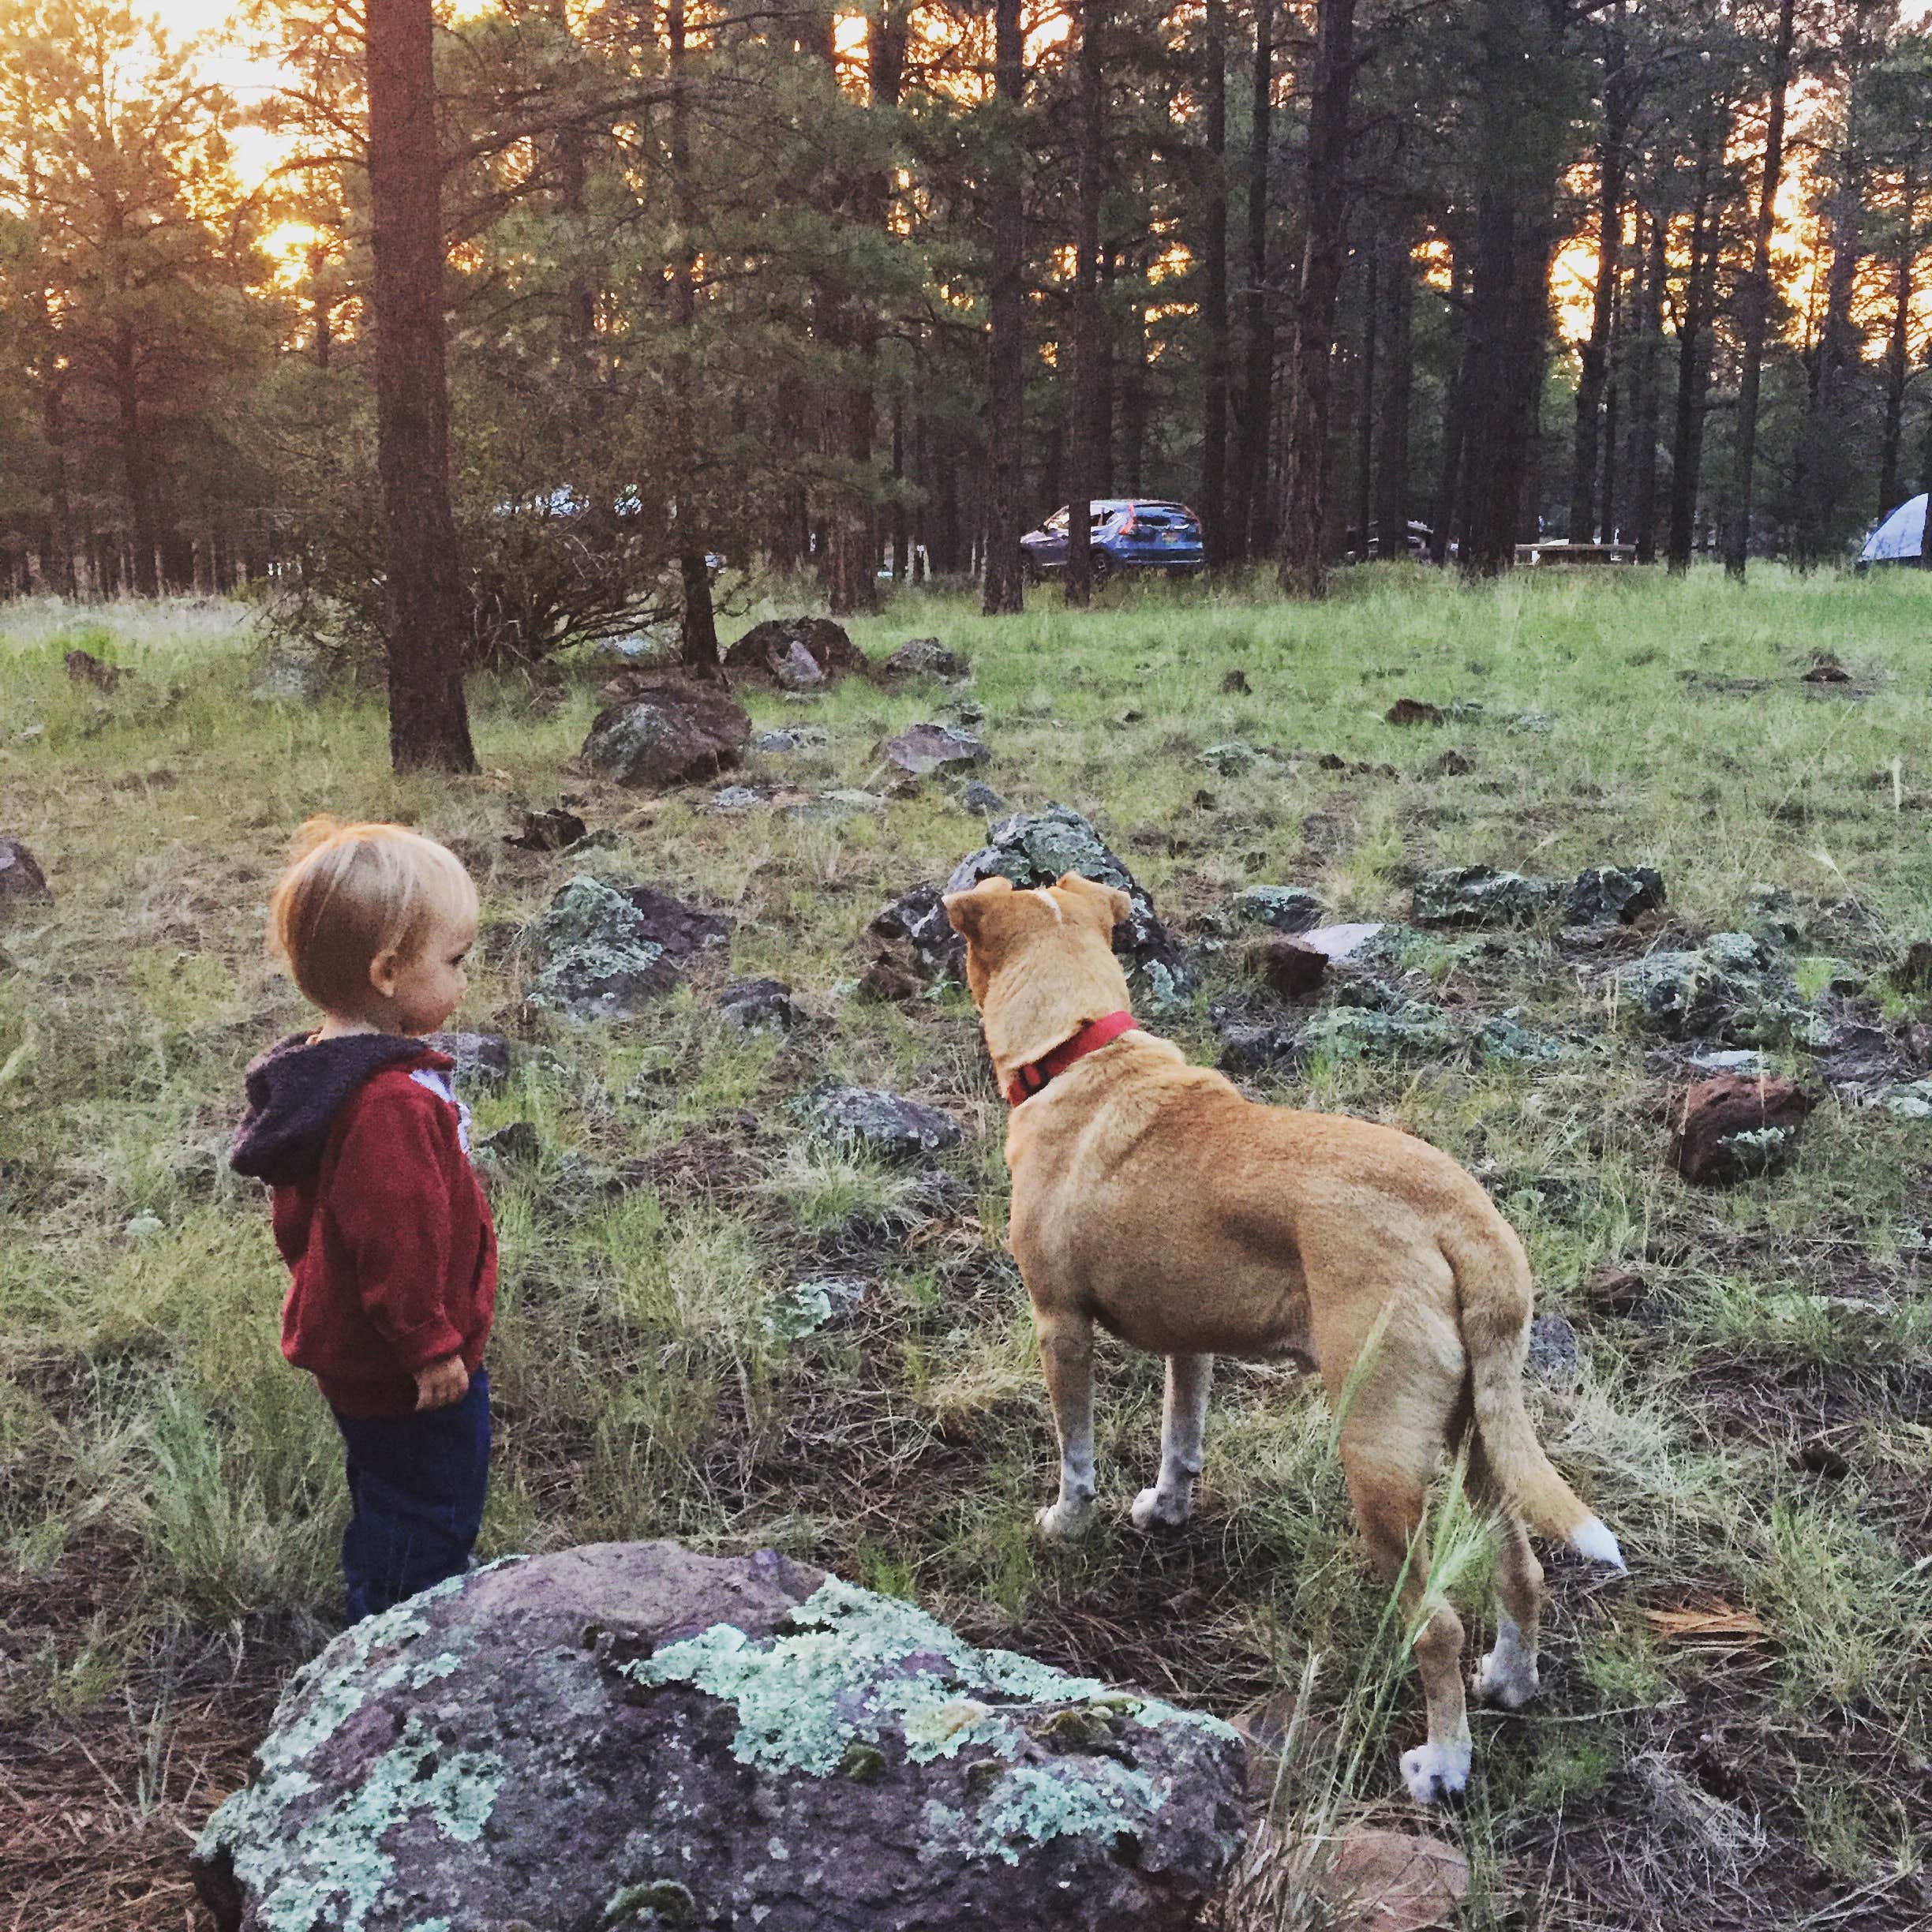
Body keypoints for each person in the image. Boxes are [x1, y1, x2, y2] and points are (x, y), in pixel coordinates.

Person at [230, 818, 496, 1622]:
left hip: (359, 1346)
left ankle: (408, 1574)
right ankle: (398, 1631)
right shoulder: (384, 1105)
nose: (464, 978)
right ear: (387, 970)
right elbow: (397, 1244)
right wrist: (431, 1348)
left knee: (391, 1483)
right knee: (429, 1498)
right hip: (406, 1360)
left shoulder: (327, 1072)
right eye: (453, 961)